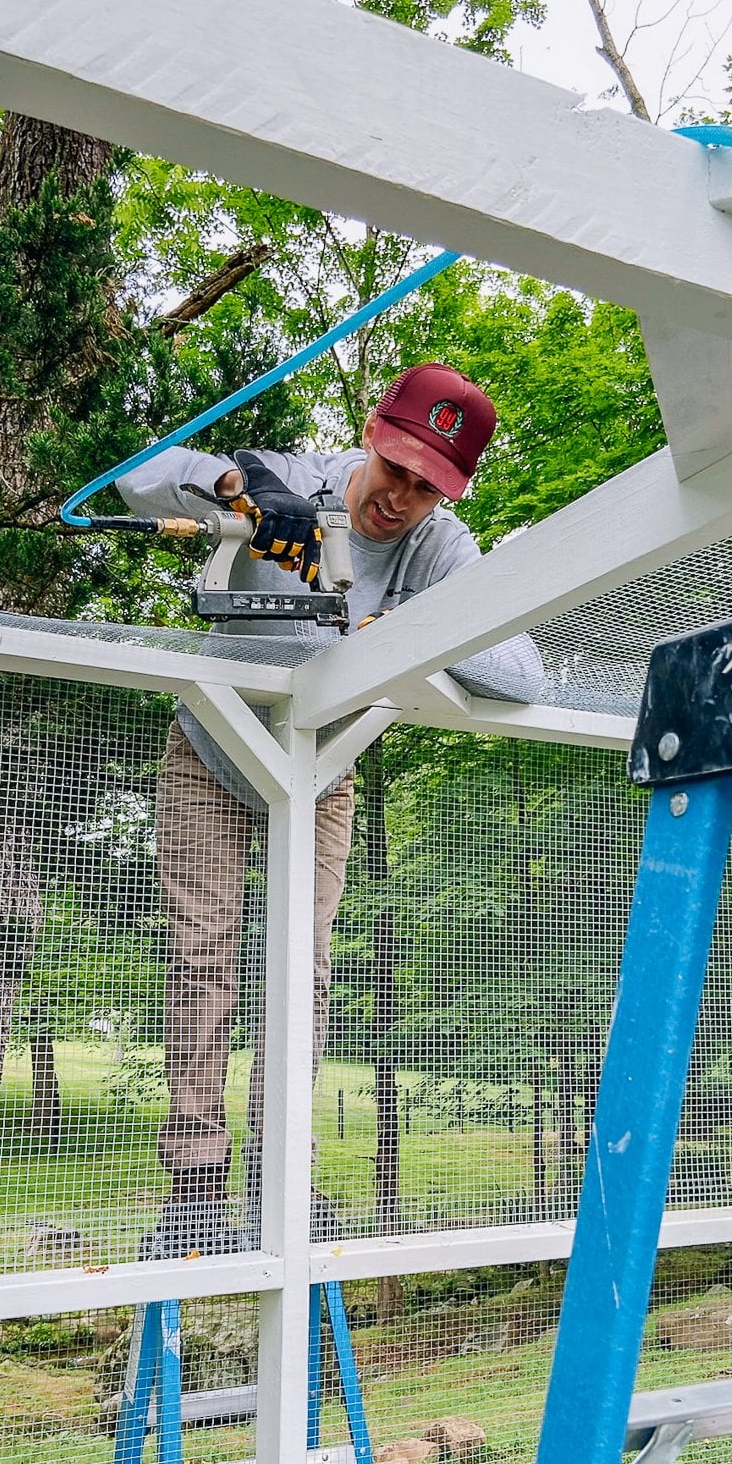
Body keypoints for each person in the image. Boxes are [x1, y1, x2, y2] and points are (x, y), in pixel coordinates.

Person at [117, 363, 544, 1252]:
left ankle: (281, 1175)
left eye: (427, 487)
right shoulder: (292, 479)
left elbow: (523, 673)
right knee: (202, 953)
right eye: (395, 469)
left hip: (322, 771)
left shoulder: (442, 550)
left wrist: (412, 633)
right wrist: (231, 485)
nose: (400, 499)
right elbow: (136, 477)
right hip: (212, 747)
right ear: (369, 435)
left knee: (304, 971)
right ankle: (195, 1184)